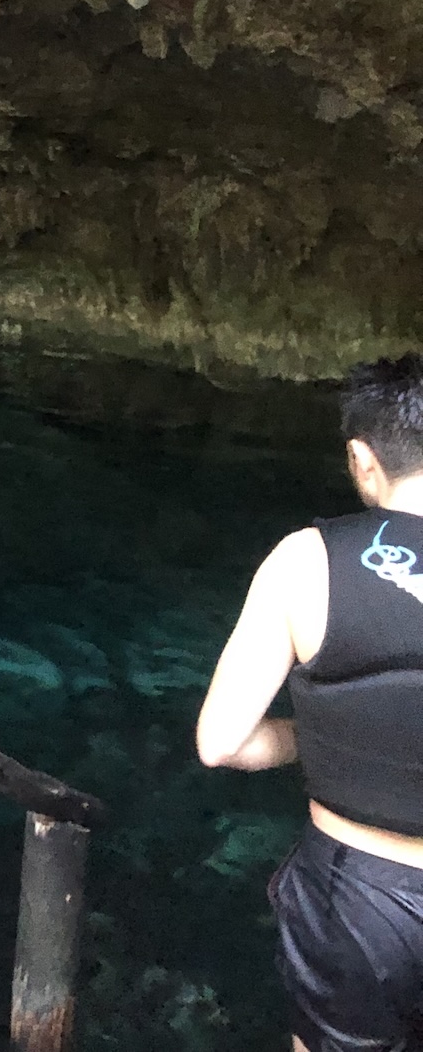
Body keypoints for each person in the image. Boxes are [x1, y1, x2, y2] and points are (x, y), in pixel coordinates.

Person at [198, 355, 423, 1052]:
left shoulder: (306, 560)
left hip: (361, 894)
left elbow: (222, 743)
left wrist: (314, 735)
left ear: (363, 459)